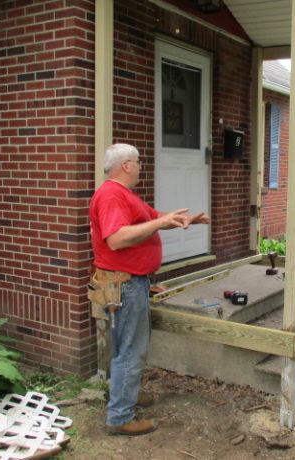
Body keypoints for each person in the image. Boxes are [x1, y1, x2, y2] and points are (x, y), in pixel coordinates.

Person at [89, 143, 210, 436]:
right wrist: (159, 221)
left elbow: (153, 220)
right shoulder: (111, 195)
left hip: (128, 282)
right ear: (126, 166)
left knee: (124, 347)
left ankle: (124, 394)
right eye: (138, 162)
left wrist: (181, 220)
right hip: (125, 284)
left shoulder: (124, 195)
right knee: (131, 351)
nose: (142, 166)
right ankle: (120, 416)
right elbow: (116, 239)